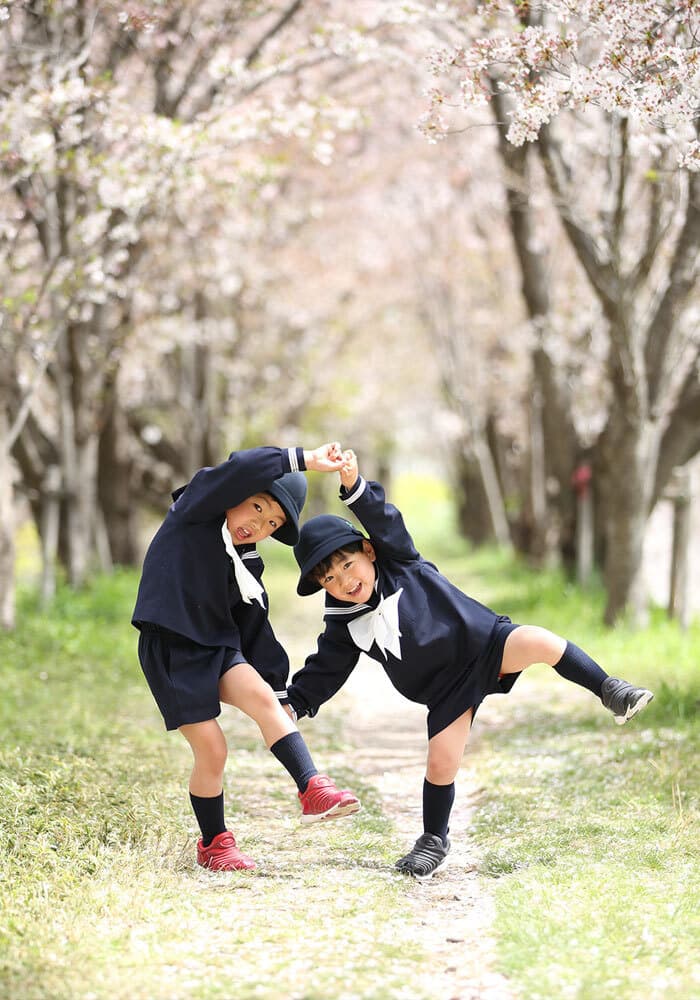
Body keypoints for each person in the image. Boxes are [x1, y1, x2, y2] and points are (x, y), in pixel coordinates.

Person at [285, 450, 654, 881]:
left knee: (539, 640)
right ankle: (433, 839)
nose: (346, 582)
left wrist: (353, 486)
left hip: (482, 644)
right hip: (444, 690)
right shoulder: (343, 623)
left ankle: (610, 688)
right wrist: (297, 702)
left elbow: (385, 521)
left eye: (349, 565)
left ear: (368, 551)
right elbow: (325, 669)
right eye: (330, 579)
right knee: (441, 763)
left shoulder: (398, 560)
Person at [132, 443, 360, 873]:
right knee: (212, 750)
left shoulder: (245, 564)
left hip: (217, 646)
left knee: (263, 698)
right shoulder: (195, 512)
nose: (259, 524)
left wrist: (281, 692)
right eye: (257, 507)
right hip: (172, 647)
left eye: (272, 522)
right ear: (234, 493)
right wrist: (305, 460)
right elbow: (240, 468)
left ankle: (312, 786)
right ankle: (214, 843)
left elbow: (255, 629)